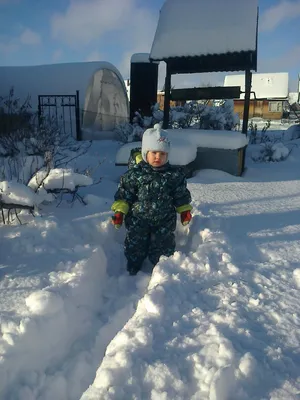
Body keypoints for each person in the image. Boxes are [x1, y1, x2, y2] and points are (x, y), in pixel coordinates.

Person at [111, 125, 192, 275]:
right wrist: (120, 212)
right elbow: (125, 194)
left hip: (164, 218)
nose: (158, 157)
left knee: (164, 245)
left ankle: (162, 267)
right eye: (154, 152)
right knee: (135, 243)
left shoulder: (173, 175)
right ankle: (134, 264)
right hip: (138, 218)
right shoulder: (135, 174)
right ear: (145, 153)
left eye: (162, 153)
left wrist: (184, 210)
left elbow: (180, 194)